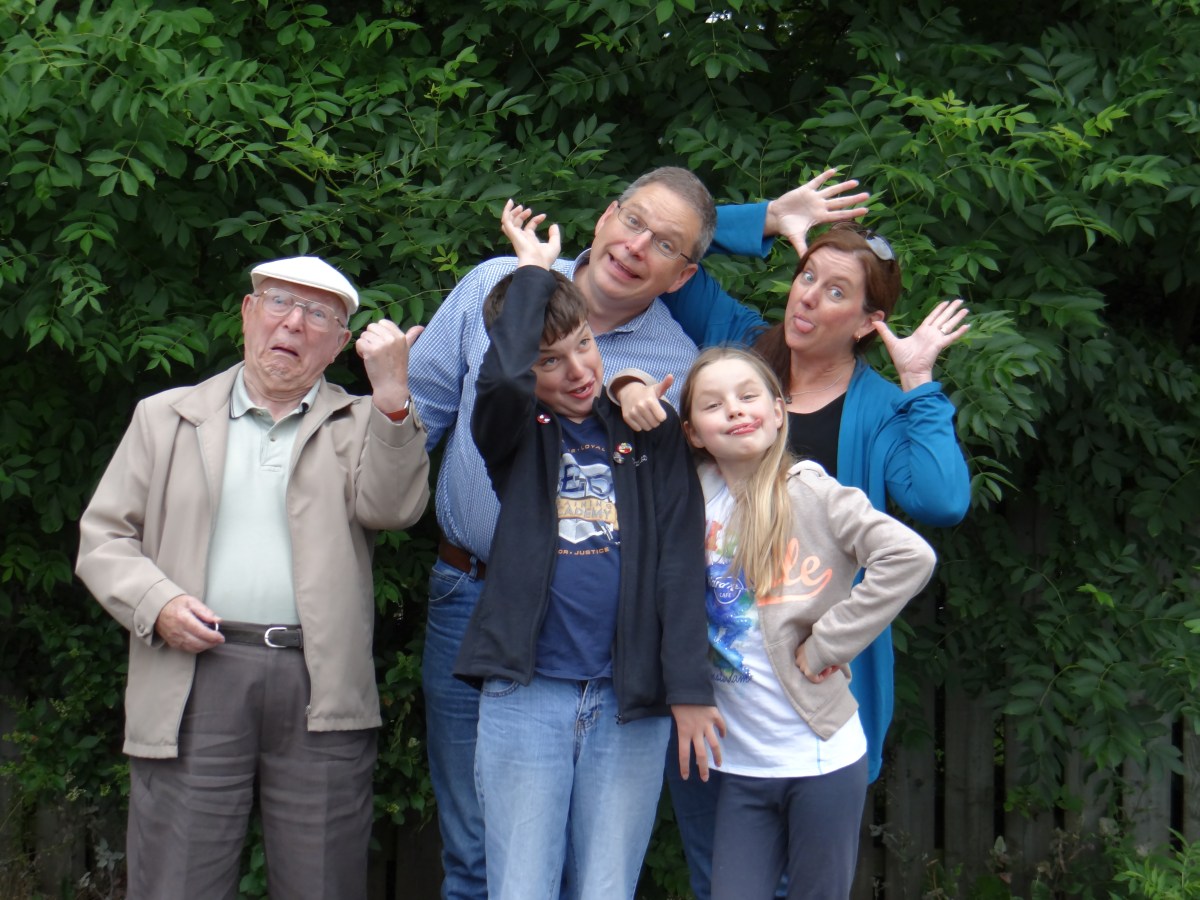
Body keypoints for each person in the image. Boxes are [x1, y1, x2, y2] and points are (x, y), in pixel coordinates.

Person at [407, 166, 869, 899]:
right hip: (481, 604)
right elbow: (434, 408)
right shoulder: (500, 292)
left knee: (598, 878)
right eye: (632, 221)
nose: (635, 246)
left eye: (664, 244)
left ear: (683, 275)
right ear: (604, 216)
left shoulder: (674, 369)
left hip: (616, 649)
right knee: (478, 856)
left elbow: (683, 545)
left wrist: (626, 386)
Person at [617, 222, 972, 899]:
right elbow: (668, 250)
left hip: (815, 684)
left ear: (867, 322)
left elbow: (941, 502)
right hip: (716, 696)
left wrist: (918, 381)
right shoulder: (742, 356)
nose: (807, 296)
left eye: (835, 290)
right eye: (806, 275)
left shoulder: (877, 409)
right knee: (719, 875)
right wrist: (766, 220)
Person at [76, 256, 430, 899]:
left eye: (317, 314)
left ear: (339, 344)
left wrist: (392, 399)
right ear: (247, 313)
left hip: (320, 683)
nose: (293, 323)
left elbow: (394, 509)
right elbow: (103, 539)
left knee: (323, 883)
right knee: (177, 882)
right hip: (193, 675)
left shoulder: (365, 422)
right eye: (278, 303)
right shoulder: (166, 417)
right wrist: (157, 603)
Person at [451, 201, 723, 899]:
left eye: (583, 347)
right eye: (549, 361)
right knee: (520, 886)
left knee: (606, 887)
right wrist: (532, 273)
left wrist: (689, 688)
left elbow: (679, 565)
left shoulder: (649, 434)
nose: (576, 371)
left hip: (629, 699)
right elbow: (501, 382)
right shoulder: (517, 436)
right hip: (527, 691)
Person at [677, 346, 936, 899]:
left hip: (820, 760)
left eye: (748, 396)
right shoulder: (691, 499)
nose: (734, 409)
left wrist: (829, 644)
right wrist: (628, 383)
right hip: (741, 765)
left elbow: (909, 556)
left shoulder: (812, 492)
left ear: (778, 412)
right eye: (713, 405)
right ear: (693, 432)